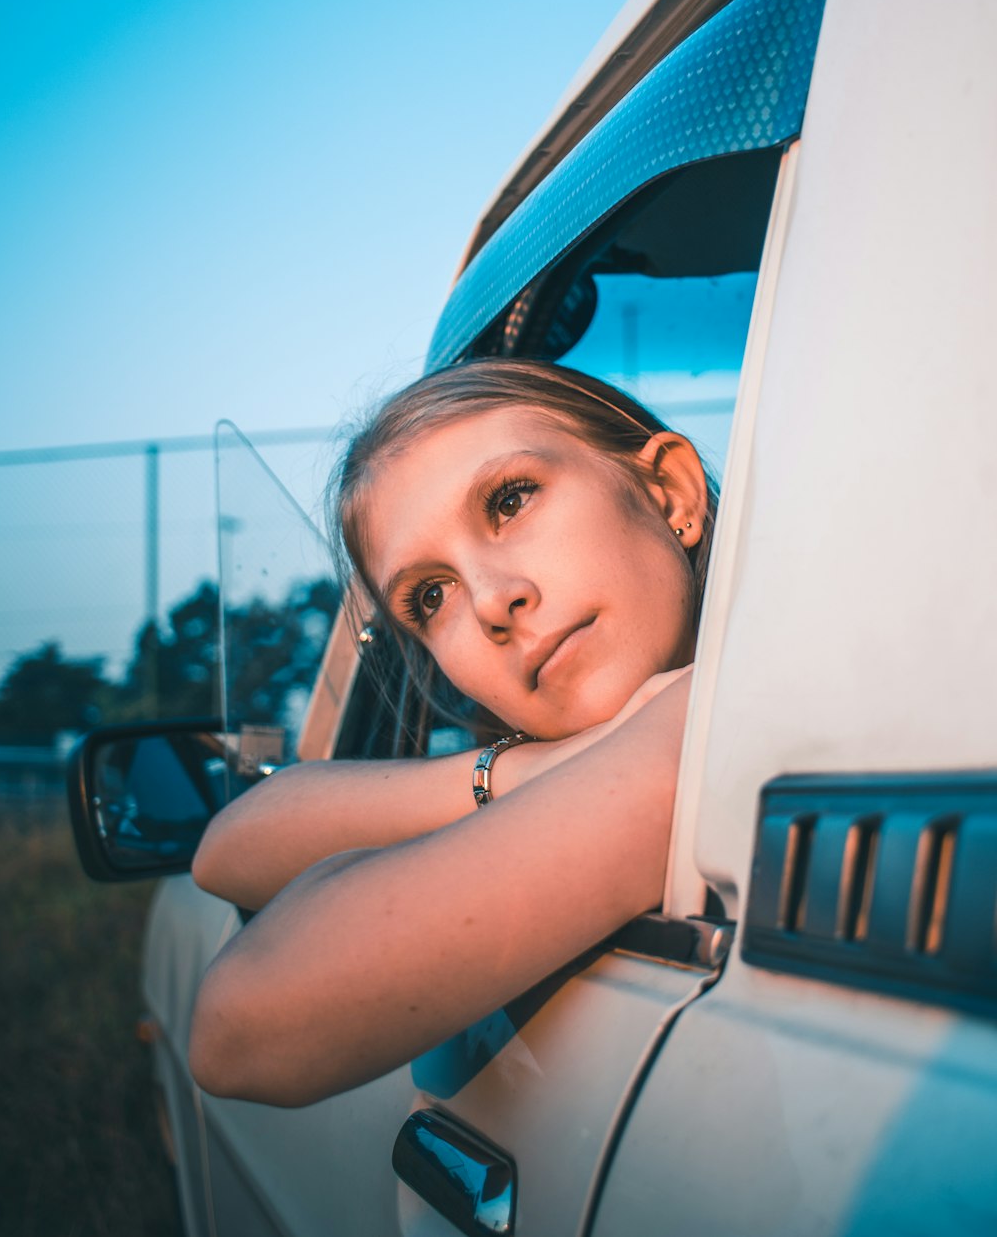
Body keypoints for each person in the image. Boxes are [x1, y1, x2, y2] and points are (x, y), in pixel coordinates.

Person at [189, 358, 716, 1107]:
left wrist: (617, 749)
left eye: (510, 500)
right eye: (431, 595)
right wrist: (544, 765)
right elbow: (230, 849)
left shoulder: (711, 720)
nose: (494, 602)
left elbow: (238, 1032)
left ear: (669, 492)